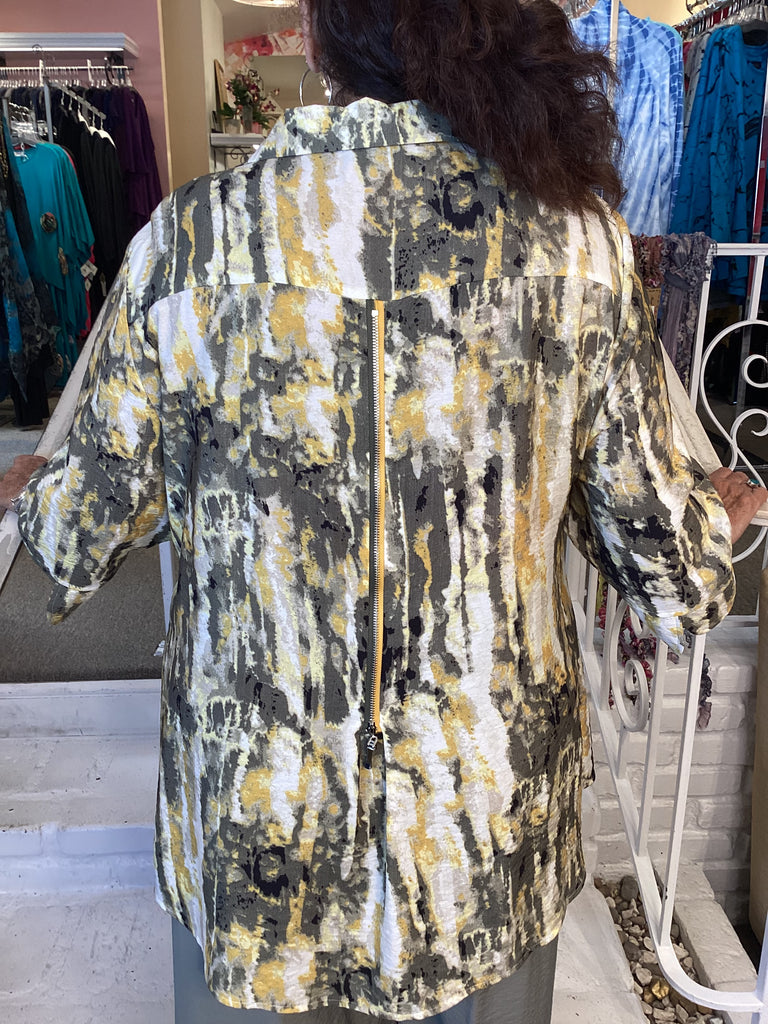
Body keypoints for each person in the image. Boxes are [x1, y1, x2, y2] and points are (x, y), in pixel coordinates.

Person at [1, 0, 765, 1021]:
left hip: (260, 828)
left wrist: (40, 483)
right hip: (478, 831)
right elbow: (668, 567)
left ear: (320, 38)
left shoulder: (190, 243)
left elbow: (77, 535)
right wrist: (718, 514)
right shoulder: (579, 247)